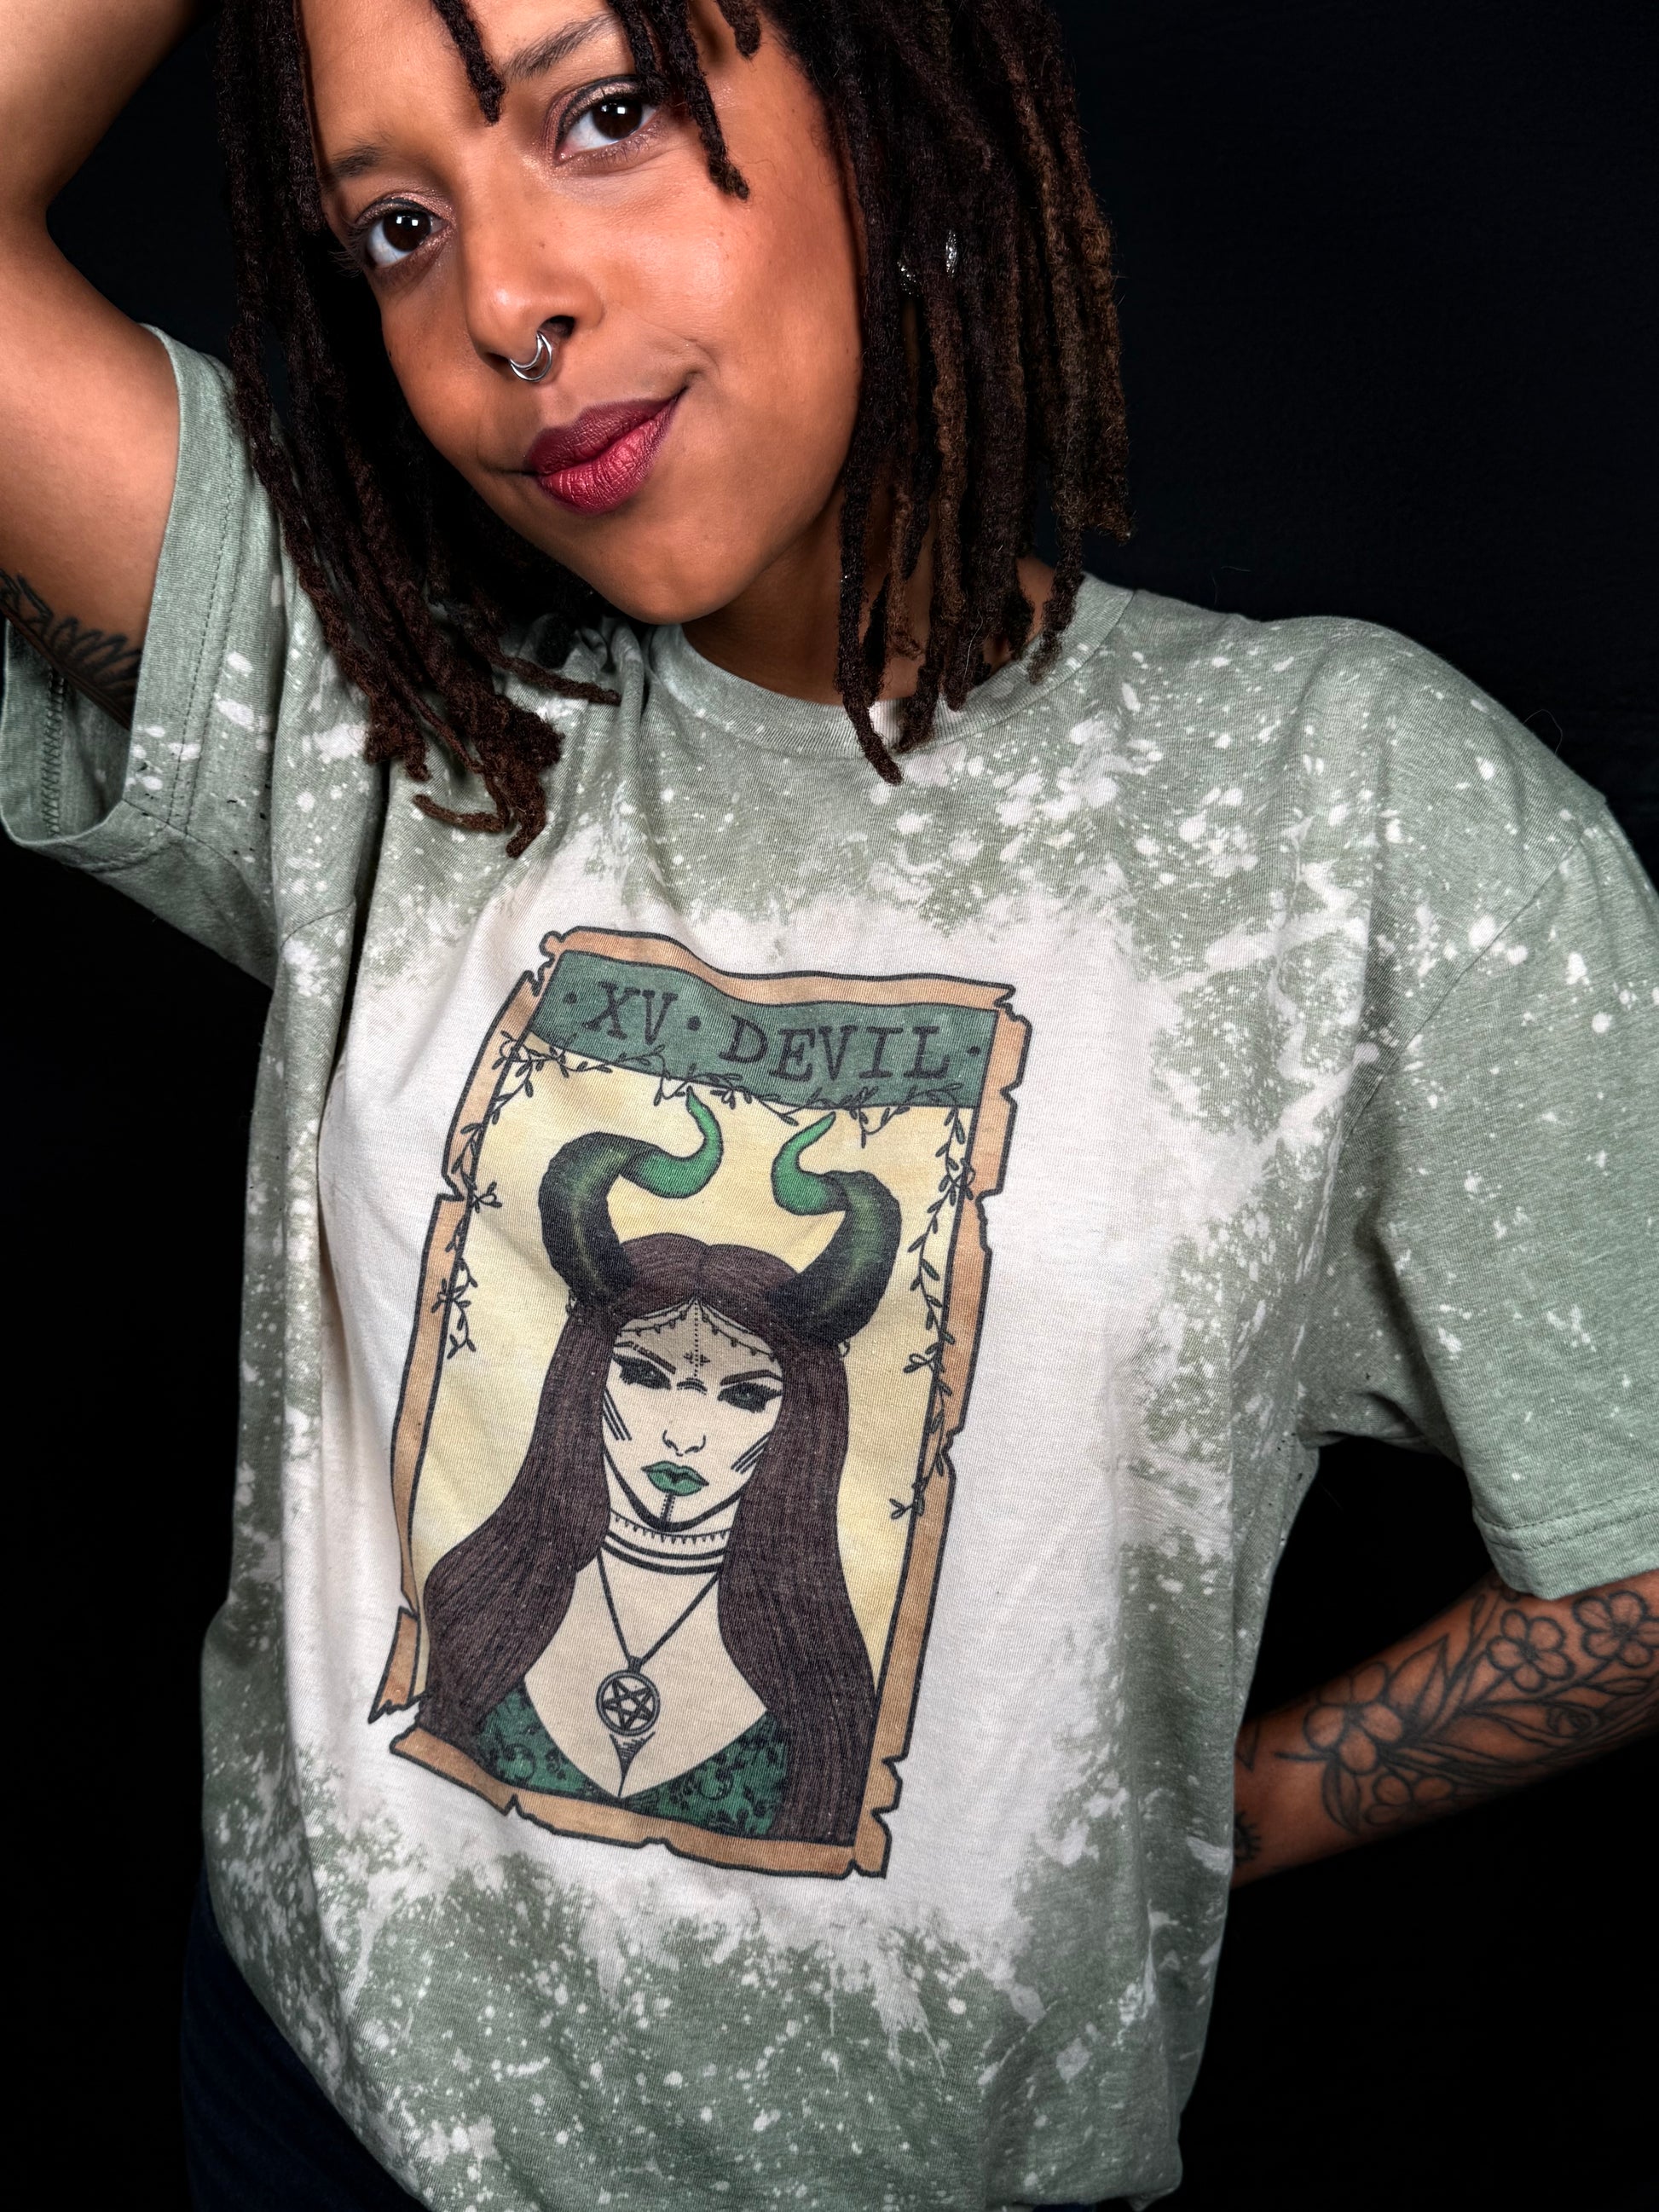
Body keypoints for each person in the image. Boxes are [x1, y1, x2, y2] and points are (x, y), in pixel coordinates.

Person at [1, 3, 1653, 2209]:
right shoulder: (382, 708)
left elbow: (1639, 1542)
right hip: (313, 2117)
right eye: (397, 226)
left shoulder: (1343, 812)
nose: (501, 304)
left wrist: (1186, 1823)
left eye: (604, 114)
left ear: (882, 93)